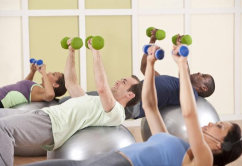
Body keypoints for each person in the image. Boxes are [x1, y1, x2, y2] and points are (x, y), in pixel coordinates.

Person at [25, 44, 242, 166]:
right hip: (102, 160)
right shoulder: (175, 143)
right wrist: (149, 64)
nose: (209, 124)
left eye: (219, 126)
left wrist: (183, 65)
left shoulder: (202, 160)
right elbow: (149, 105)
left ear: (220, 146)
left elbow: (188, 114)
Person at [0, 39, 142, 166]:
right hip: (43, 114)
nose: (118, 81)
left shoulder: (116, 111)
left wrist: (96, 53)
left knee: (3, 128)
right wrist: (71, 52)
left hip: (51, 124)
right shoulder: (90, 99)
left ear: (130, 94)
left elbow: (102, 87)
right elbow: (70, 82)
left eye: (124, 82)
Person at [125, 30, 215, 119]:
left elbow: (185, 77)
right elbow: (144, 68)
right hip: (128, 92)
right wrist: (152, 42)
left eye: (203, 76)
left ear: (204, 88)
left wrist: (182, 53)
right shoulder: (171, 82)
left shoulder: (191, 95)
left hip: (136, 103)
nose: (199, 73)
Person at [0, 63, 66, 108]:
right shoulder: (37, 87)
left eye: (53, 74)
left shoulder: (42, 92)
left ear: (55, 84)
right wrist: (32, 71)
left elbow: (50, 95)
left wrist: (43, 72)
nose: (49, 72)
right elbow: (24, 84)